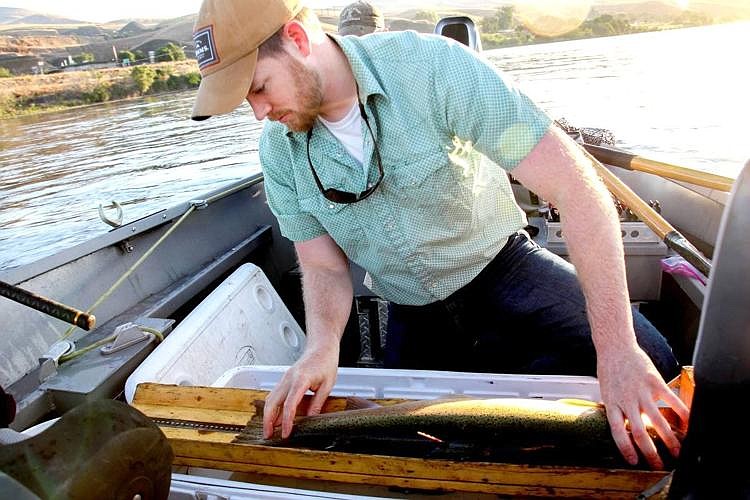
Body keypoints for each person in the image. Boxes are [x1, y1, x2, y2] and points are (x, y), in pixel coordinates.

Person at [190, 0, 689, 470]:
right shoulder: (279, 152)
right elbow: (322, 264)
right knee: (404, 450)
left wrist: (617, 350)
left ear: (297, 38)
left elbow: (577, 192)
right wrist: (321, 347)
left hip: (504, 270)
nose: (259, 113)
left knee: (655, 361)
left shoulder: (434, 70)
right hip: (412, 310)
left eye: (259, 88)